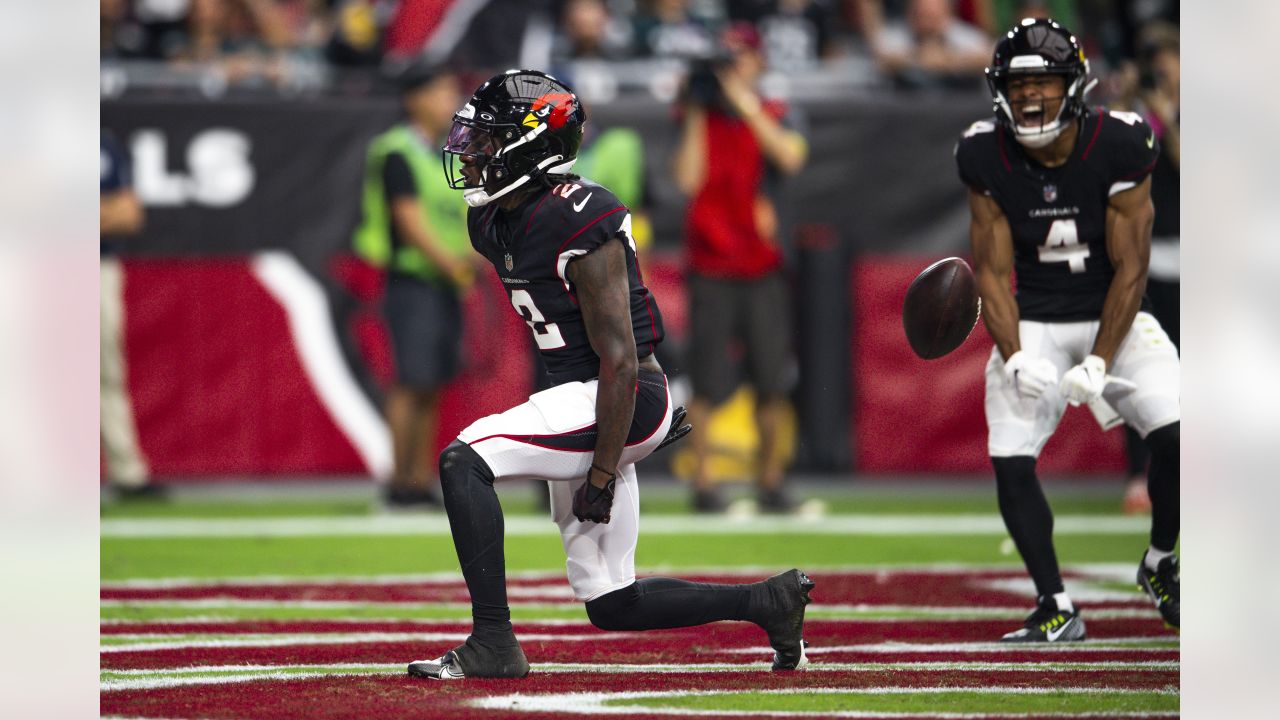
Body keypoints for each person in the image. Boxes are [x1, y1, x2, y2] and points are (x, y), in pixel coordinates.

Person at [405, 69, 814, 680]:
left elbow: (620, 356)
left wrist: (604, 467)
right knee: (611, 602)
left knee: (465, 461)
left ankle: (492, 641)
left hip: (619, 393)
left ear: (531, 145)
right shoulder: (492, 220)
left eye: (489, 141)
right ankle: (767, 604)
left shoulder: (581, 215)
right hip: (593, 400)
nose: (473, 153)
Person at [955, 18, 1179, 642]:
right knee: (1010, 456)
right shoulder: (982, 152)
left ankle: (1162, 561)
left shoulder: (1123, 142)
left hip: (1117, 312)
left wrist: (1103, 361)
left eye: (1046, 83)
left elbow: (1132, 266)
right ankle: (1054, 603)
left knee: (1180, 432)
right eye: (1019, 84)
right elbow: (993, 275)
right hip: (1035, 319)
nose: (1031, 97)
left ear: (1075, 85)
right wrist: (1016, 353)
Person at [672, 22, 807, 514]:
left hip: (762, 263)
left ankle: (771, 480)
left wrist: (742, 98)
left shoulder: (776, 111)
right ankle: (704, 482)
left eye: (739, 59)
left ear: (757, 62)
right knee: (705, 377)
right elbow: (688, 181)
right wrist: (693, 110)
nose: (731, 70)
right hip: (710, 263)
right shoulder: (700, 116)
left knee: (772, 377)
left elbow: (789, 158)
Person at [353, 65, 475, 507]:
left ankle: (418, 479)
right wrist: (456, 269)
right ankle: (398, 480)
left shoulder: (447, 153)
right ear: (414, 100)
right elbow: (410, 223)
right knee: (410, 380)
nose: (451, 102)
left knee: (432, 382)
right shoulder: (397, 151)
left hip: (444, 282)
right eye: (441, 92)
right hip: (412, 279)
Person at [101, 130, 157, 499]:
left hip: (96, 263)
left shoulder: (101, 142)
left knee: (105, 372)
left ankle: (127, 474)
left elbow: (129, 214)